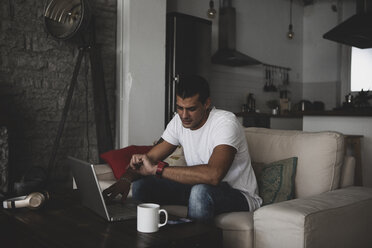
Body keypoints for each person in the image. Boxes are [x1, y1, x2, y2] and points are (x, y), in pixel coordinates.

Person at [103, 75, 262, 221]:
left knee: (200, 192)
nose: (184, 115)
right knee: (142, 186)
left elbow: (214, 175)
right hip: (197, 188)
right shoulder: (178, 122)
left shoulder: (225, 123)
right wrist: (126, 178)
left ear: (206, 104)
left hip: (239, 195)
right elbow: (150, 158)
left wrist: (156, 169)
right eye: (180, 108)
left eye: (191, 109)